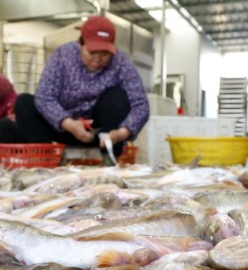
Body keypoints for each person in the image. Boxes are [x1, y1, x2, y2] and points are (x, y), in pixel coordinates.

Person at [14, 15, 149, 161]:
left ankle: (109, 160)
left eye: (104, 54)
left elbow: (141, 105)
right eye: (91, 53)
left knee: (116, 97)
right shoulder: (62, 56)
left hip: (101, 134)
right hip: (64, 127)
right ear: (80, 43)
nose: (97, 60)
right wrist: (69, 124)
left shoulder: (120, 63)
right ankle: (46, 160)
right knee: (24, 103)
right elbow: (44, 96)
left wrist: (121, 133)